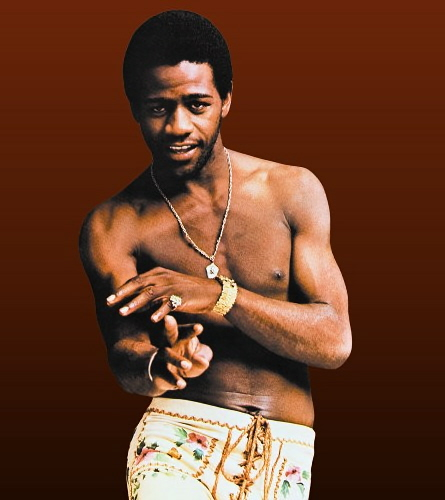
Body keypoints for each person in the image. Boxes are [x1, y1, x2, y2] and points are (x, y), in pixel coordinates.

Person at [79, 10, 351, 500]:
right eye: (158, 108)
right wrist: (159, 366)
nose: (178, 126)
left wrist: (220, 296)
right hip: (178, 442)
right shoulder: (115, 225)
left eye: (197, 104)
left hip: (286, 458)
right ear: (136, 109)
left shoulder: (291, 191)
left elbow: (334, 341)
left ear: (226, 99)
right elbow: (123, 352)